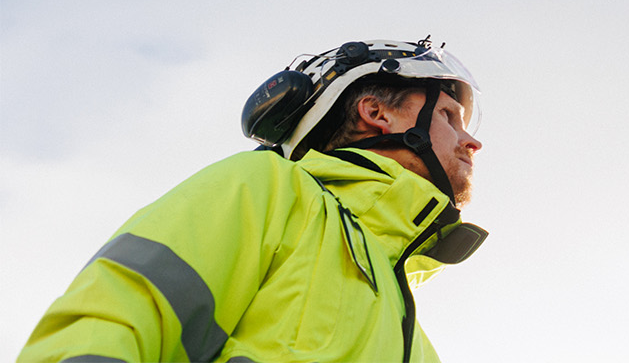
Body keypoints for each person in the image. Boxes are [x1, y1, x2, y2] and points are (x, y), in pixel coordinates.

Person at [20, 38, 487, 363]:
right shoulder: (270, 187)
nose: (472, 142)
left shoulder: (414, 334)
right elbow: (122, 311)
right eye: (449, 116)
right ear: (376, 112)